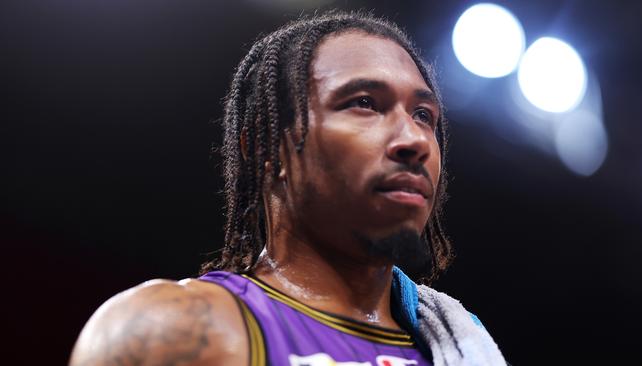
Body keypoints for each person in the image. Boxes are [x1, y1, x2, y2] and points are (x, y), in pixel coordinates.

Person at [70, 11, 507, 366]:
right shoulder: (170, 332)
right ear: (267, 147)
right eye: (364, 103)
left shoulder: (462, 346)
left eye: (423, 115)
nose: (413, 140)